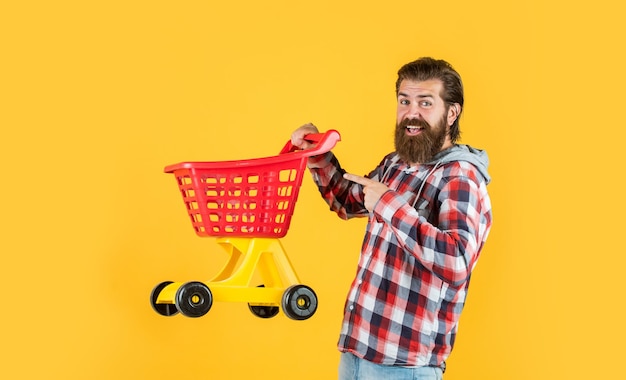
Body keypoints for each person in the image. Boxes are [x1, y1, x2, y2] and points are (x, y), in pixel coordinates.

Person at [290, 57, 493, 380]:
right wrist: (319, 156)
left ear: (451, 113)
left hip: (405, 367)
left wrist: (389, 204)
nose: (411, 114)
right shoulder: (396, 164)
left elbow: (456, 261)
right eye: (404, 101)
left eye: (425, 103)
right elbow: (347, 200)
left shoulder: (460, 176)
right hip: (357, 352)